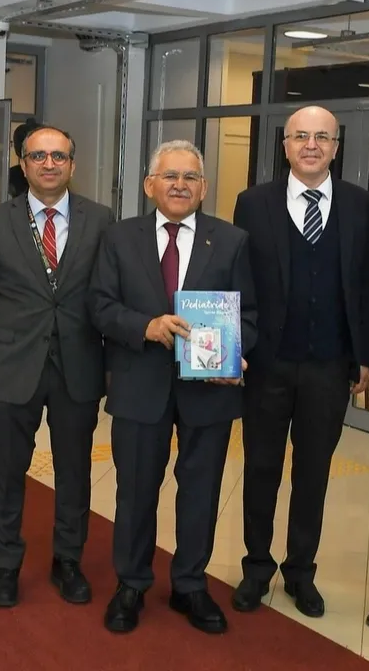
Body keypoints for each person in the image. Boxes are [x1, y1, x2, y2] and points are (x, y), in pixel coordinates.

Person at [89, 139, 257, 635]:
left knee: (201, 492)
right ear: (149, 185)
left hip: (209, 388)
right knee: (135, 491)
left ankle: (190, 584)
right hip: (139, 383)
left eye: (190, 177)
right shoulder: (119, 238)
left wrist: (236, 351)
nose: (180, 185)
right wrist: (145, 326)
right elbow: (99, 304)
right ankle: (131, 584)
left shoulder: (232, 240)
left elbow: (250, 313)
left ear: (203, 187)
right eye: (170, 176)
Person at [229, 106, 369, 617]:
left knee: (313, 473)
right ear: (285, 145)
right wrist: (234, 347)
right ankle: (256, 567)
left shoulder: (361, 206)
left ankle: (300, 571)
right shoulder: (253, 203)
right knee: (261, 469)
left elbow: (367, 286)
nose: (311, 145)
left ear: (336, 147)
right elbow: (239, 281)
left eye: (322, 137)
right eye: (300, 136)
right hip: (266, 363)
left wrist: (365, 355)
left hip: (329, 366)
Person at [0, 124, 114, 608]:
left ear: (72, 164)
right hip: (13, 366)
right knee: (8, 472)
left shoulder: (100, 220)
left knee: (74, 472)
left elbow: (110, 296)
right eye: (38, 156)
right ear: (23, 164)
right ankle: (5, 564)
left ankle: (67, 560)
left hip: (79, 366)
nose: (49, 164)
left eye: (58, 156)